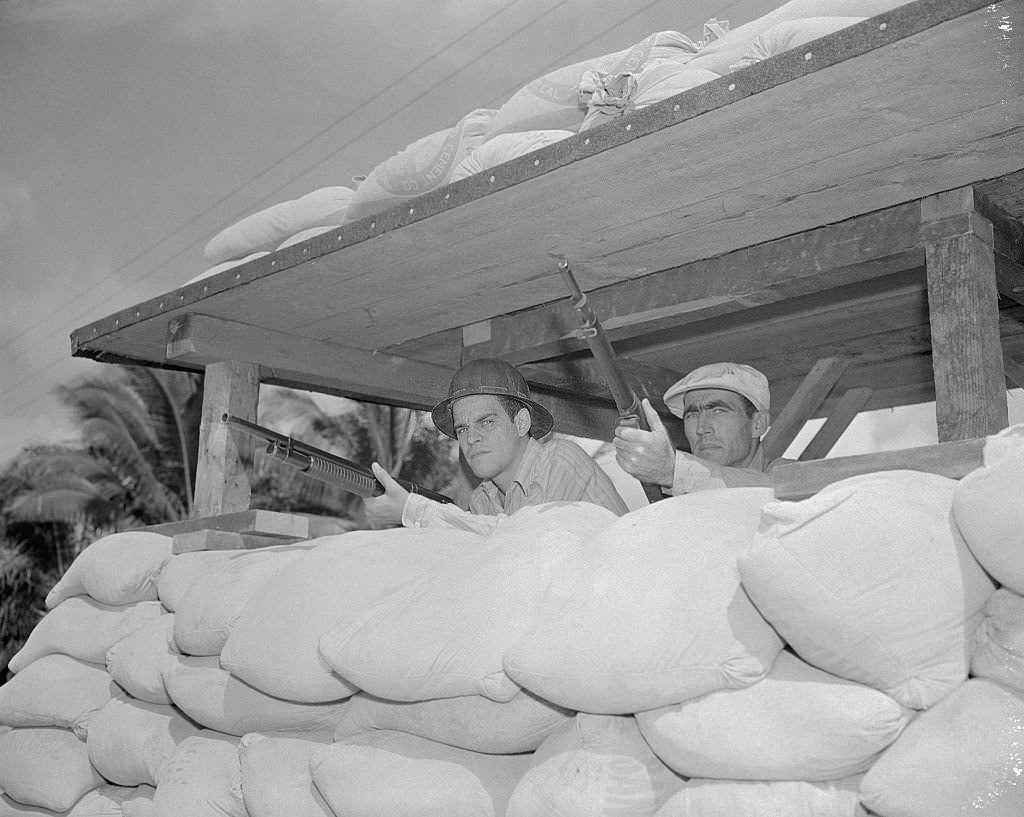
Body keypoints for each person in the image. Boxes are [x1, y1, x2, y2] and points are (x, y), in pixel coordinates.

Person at [365, 357, 628, 532]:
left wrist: (413, 510)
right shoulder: (483, 500)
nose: (470, 438)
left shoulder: (559, 460)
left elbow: (520, 543)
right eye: (462, 428)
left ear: (522, 422)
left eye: (486, 422)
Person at [614, 362, 779, 494]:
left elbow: (772, 491)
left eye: (718, 411)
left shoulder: (798, 477)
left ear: (758, 424)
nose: (701, 429)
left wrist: (674, 470)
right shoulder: (684, 497)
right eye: (692, 415)